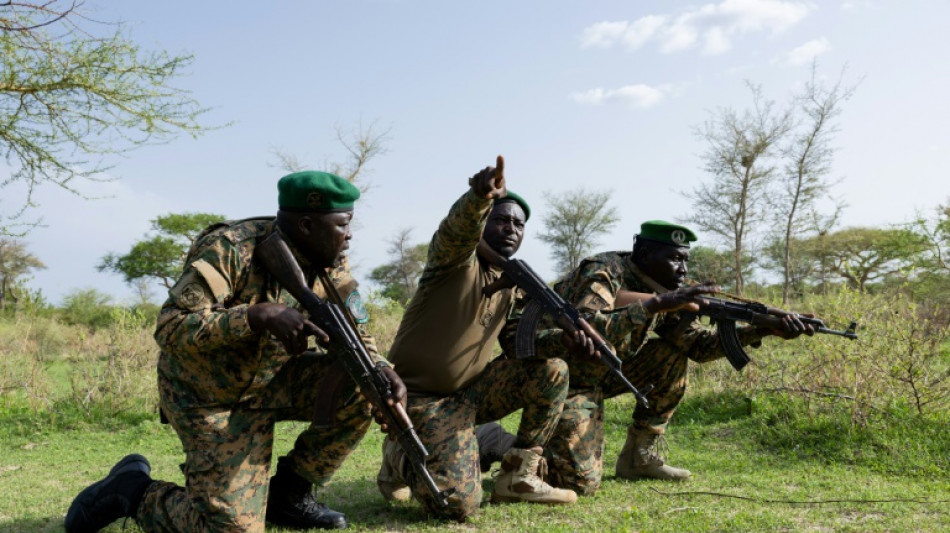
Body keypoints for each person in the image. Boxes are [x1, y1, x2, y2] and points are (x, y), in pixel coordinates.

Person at [65, 171, 408, 532]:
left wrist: (381, 368)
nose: (350, 234)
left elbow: (354, 331)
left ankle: (288, 496)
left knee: (360, 382)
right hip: (208, 397)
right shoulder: (231, 248)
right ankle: (133, 491)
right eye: (343, 224)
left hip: (272, 382)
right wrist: (255, 316)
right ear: (306, 225)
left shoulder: (331, 261)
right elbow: (170, 327)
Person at [478, 220, 814, 495]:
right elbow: (589, 325)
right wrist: (656, 305)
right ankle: (499, 442)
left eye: (686, 260)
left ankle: (640, 456)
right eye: (673, 259)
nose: (682, 268)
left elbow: (696, 347)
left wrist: (763, 330)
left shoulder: (667, 289)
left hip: (598, 377)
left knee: (670, 353)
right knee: (577, 484)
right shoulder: (605, 271)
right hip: (554, 375)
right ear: (643, 253)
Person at [375, 156, 579, 521]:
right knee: (458, 506)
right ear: (484, 222)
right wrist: (479, 198)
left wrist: (566, 339)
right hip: (420, 397)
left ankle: (518, 476)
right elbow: (456, 232)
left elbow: (520, 343)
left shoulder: (513, 283)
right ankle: (399, 455)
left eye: (519, 224)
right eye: (501, 219)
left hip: (472, 393)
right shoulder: (454, 260)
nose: (511, 228)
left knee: (552, 370)